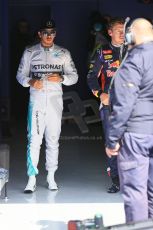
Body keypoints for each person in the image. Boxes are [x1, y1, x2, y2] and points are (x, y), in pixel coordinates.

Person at [16, 19, 78, 193]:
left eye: (52, 32)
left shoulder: (63, 53)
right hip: (35, 102)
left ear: (55, 34)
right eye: (45, 32)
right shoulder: (29, 52)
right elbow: (20, 76)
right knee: (34, 140)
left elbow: (74, 76)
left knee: (52, 140)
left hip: (55, 102)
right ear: (39, 34)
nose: (49, 35)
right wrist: (30, 81)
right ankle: (31, 178)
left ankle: (51, 177)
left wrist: (62, 78)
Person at [106, 18, 153, 223]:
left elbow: (124, 103)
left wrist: (112, 139)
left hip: (137, 136)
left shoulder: (135, 58)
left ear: (130, 35)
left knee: (135, 190)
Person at [87, 17, 127, 193]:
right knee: (113, 143)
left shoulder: (135, 50)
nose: (122, 33)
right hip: (110, 106)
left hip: (133, 107)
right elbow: (90, 77)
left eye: (124, 29)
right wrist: (99, 94)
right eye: (118, 29)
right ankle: (116, 180)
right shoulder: (102, 51)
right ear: (109, 32)